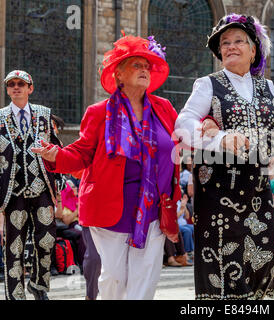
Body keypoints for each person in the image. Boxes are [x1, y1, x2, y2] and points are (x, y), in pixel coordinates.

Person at [174, 13, 274, 300]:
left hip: (258, 191)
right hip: (218, 193)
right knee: (225, 268)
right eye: (225, 43)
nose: (231, 47)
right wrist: (221, 138)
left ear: (254, 50)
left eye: (239, 41)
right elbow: (183, 123)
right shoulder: (208, 84)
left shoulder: (268, 87)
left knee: (262, 263)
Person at [32, 34, 181, 300]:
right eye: (137, 65)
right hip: (110, 206)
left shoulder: (164, 108)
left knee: (146, 277)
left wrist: (207, 125)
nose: (144, 70)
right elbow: (81, 154)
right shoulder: (99, 112)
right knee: (113, 276)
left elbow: (185, 137)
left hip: (154, 208)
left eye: (147, 66)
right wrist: (55, 154)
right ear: (119, 75)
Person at [0, 70, 66, 300]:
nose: (16, 87)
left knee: (46, 240)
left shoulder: (44, 115)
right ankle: (16, 294)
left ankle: (39, 286)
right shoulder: (0, 117)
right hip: (12, 192)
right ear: (7, 89)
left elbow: (56, 149)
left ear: (31, 88)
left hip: (42, 189)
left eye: (21, 84)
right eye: (11, 84)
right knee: (14, 247)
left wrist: (59, 182)